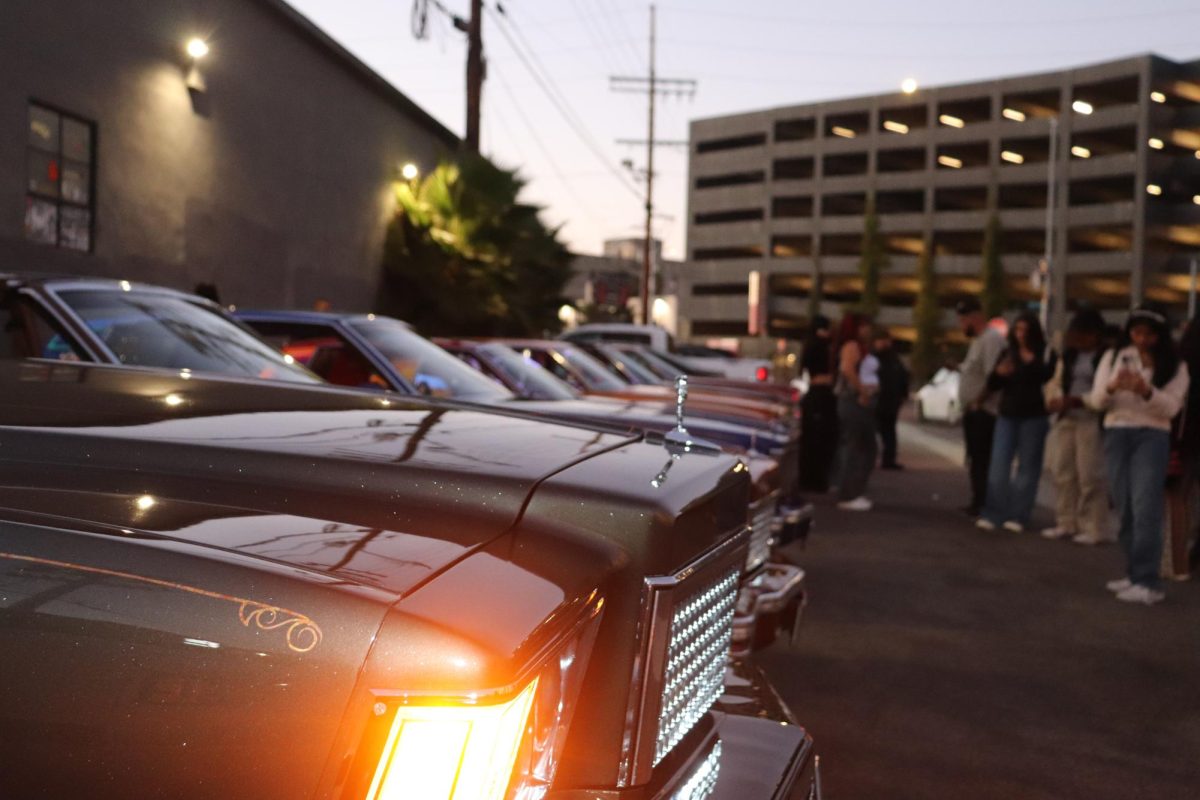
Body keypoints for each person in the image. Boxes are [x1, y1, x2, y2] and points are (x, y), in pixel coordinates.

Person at [1090, 305, 1189, 605]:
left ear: (1159, 336)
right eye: (1136, 332)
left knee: (1145, 505)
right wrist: (1113, 385)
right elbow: (1096, 400)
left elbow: (1172, 408)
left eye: (1148, 334)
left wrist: (1147, 391)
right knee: (1124, 506)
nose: (1141, 339)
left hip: (1152, 434)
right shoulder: (1115, 356)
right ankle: (1134, 572)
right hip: (1117, 431)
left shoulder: (1175, 365)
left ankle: (1148, 580)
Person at [977, 312, 1056, 533]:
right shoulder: (1007, 352)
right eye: (1018, 329)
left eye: (1025, 330)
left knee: (1028, 467)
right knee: (999, 464)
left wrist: (1031, 363)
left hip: (1035, 415)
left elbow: (1048, 377)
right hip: (1008, 413)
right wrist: (1000, 373)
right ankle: (993, 512)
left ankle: (1019, 514)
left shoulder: (1046, 353)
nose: (1021, 335)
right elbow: (993, 383)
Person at [1042, 309, 1112, 545]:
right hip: (1066, 417)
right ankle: (1066, 521)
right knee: (1062, 471)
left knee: (1089, 474)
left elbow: (1104, 393)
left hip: (1091, 418)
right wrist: (1053, 398)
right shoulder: (1069, 356)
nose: (1080, 340)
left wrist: (1076, 400)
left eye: (1085, 335)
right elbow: (1056, 380)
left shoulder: (1106, 357)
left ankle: (1094, 527)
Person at [955, 298, 1008, 518]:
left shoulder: (991, 340)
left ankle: (986, 502)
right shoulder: (978, 340)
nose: (961, 325)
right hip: (974, 409)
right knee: (975, 458)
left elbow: (994, 376)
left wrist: (979, 401)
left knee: (982, 458)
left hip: (985, 411)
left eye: (963, 320)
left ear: (975, 318)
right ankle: (978, 499)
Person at [1163, 317, 1200, 580]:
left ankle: (1176, 564)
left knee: (1177, 498)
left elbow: (1180, 407)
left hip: (1187, 437)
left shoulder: (1184, 359)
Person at [833, 314, 879, 511]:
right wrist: (862, 391)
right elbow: (848, 370)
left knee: (861, 447)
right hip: (853, 402)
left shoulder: (855, 346)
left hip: (855, 401)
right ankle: (849, 493)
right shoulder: (851, 346)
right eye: (864, 326)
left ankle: (853, 491)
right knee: (859, 448)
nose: (868, 331)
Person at [799, 316, 838, 492]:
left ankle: (812, 480)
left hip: (816, 395)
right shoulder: (820, 347)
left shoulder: (812, 345)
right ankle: (815, 481)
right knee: (820, 440)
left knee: (815, 441)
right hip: (820, 394)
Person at [873, 329, 910, 469]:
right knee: (875, 431)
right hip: (878, 400)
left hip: (890, 401)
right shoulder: (873, 358)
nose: (884, 343)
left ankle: (889, 459)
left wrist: (902, 394)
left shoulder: (894, 359)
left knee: (889, 431)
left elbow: (903, 376)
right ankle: (878, 458)